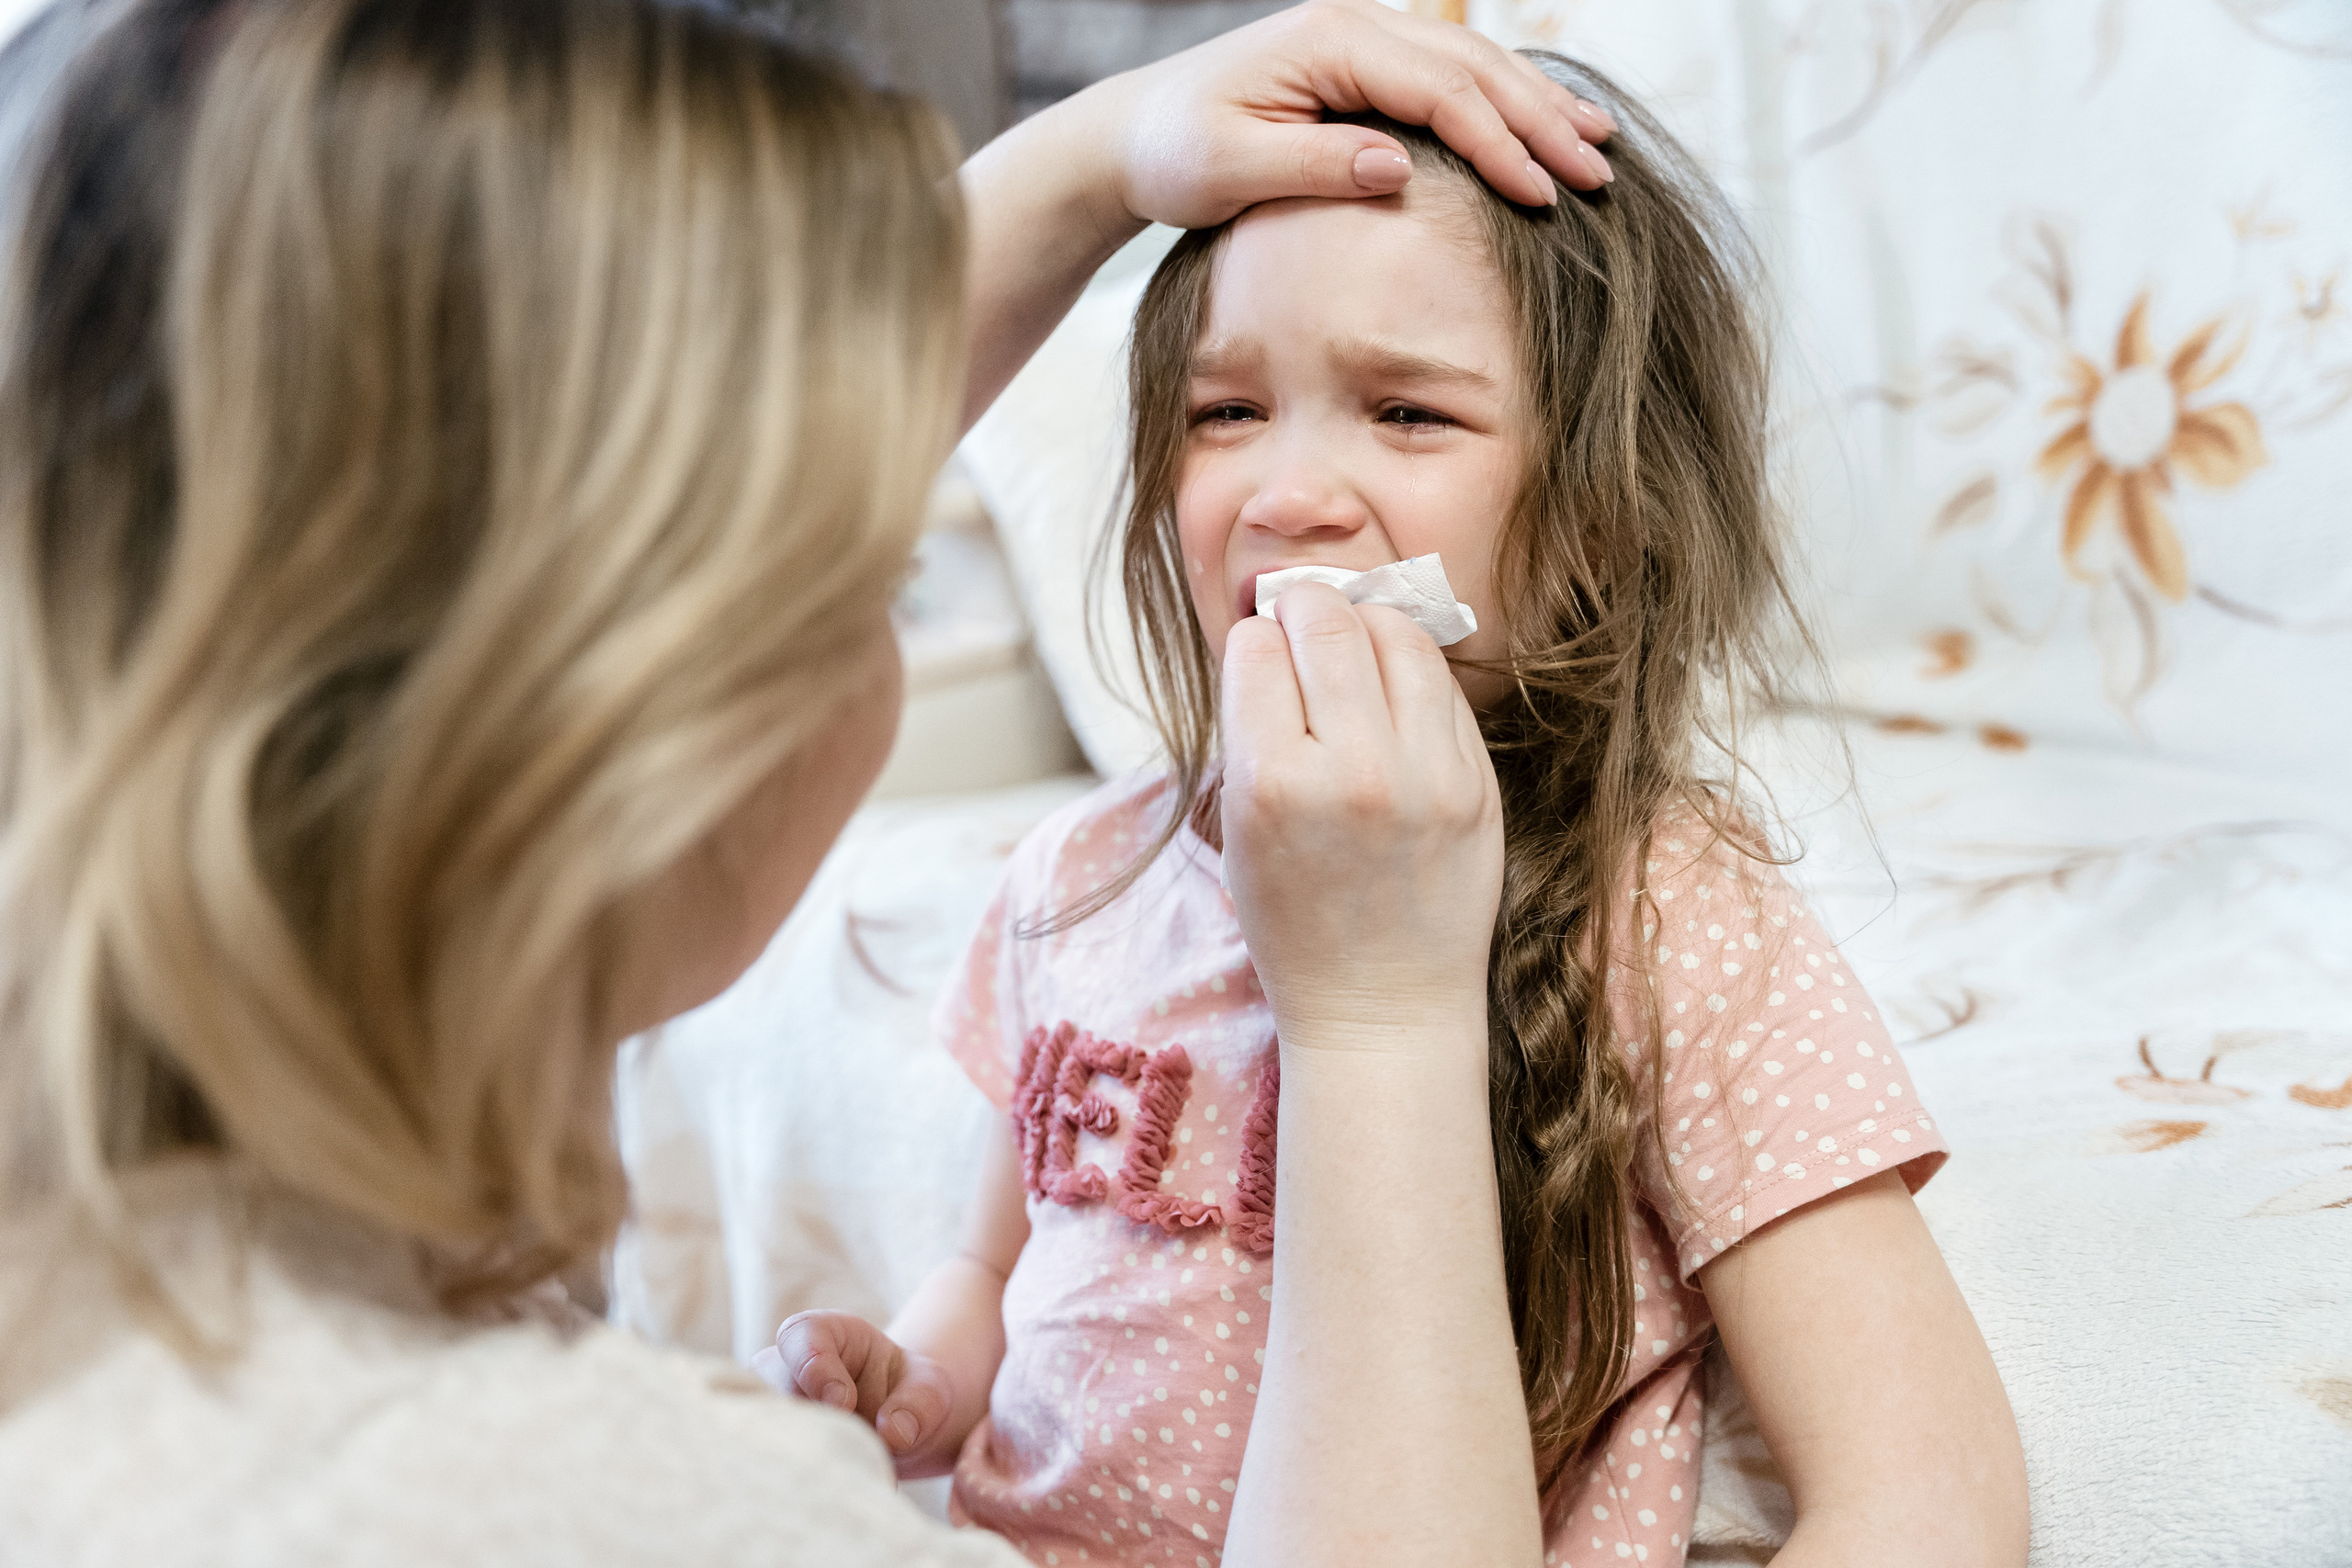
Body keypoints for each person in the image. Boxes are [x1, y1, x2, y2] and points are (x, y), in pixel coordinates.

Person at [0, 2, 1621, 1563]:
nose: (1292, 495)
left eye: (1408, 411)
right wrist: (1384, 1024)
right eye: (871, 566)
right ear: (617, 724)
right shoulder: (611, 1504)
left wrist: (1102, 153)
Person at [766, 58, 2031, 1568]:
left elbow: (1930, 1501)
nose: (1289, 493)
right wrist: (920, 1381)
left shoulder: (1669, 914)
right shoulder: (1080, 873)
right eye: (1226, 409)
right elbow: (997, 1264)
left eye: (1409, 414)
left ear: (1601, 527)